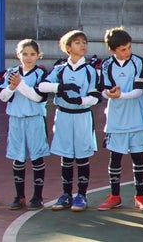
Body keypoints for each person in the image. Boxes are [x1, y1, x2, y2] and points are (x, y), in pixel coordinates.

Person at [36, 30, 102, 212]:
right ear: (68, 47)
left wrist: (80, 100)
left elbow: (96, 95)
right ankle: (66, 194)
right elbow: (41, 86)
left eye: (84, 42)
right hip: (64, 115)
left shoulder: (90, 70)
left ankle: (81, 194)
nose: (82, 45)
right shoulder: (60, 69)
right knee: (66, 157)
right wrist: (61, 87)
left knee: (82, 156)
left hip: (81, 116)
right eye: (77, 42)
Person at [96, 27, 143, 212]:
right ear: (112, 50)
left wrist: (119, 96)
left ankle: (140, 195)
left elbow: (138, 91)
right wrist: (109, 94)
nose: (127, 52)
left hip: (136, 118)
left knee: (138, 157)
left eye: (129, 47)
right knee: (115, 158)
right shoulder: (106, 65)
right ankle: (114, 196)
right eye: (123, 49)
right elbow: (103, 90)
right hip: (116, 120)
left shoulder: (137, 62)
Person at [0, 39, 50, 210]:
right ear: (18, 55)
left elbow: (39, 97)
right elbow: (2, 97)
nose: (28, 58)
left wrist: (20, 85)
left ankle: (37, 196)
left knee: (36, 157)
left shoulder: (41, 74)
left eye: (32, 54)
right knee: (18, 158)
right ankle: (19, 195)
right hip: (16, 120)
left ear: (38, 55)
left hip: (34, 119)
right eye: (24, 54)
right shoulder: (11, 73)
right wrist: (12, 87)